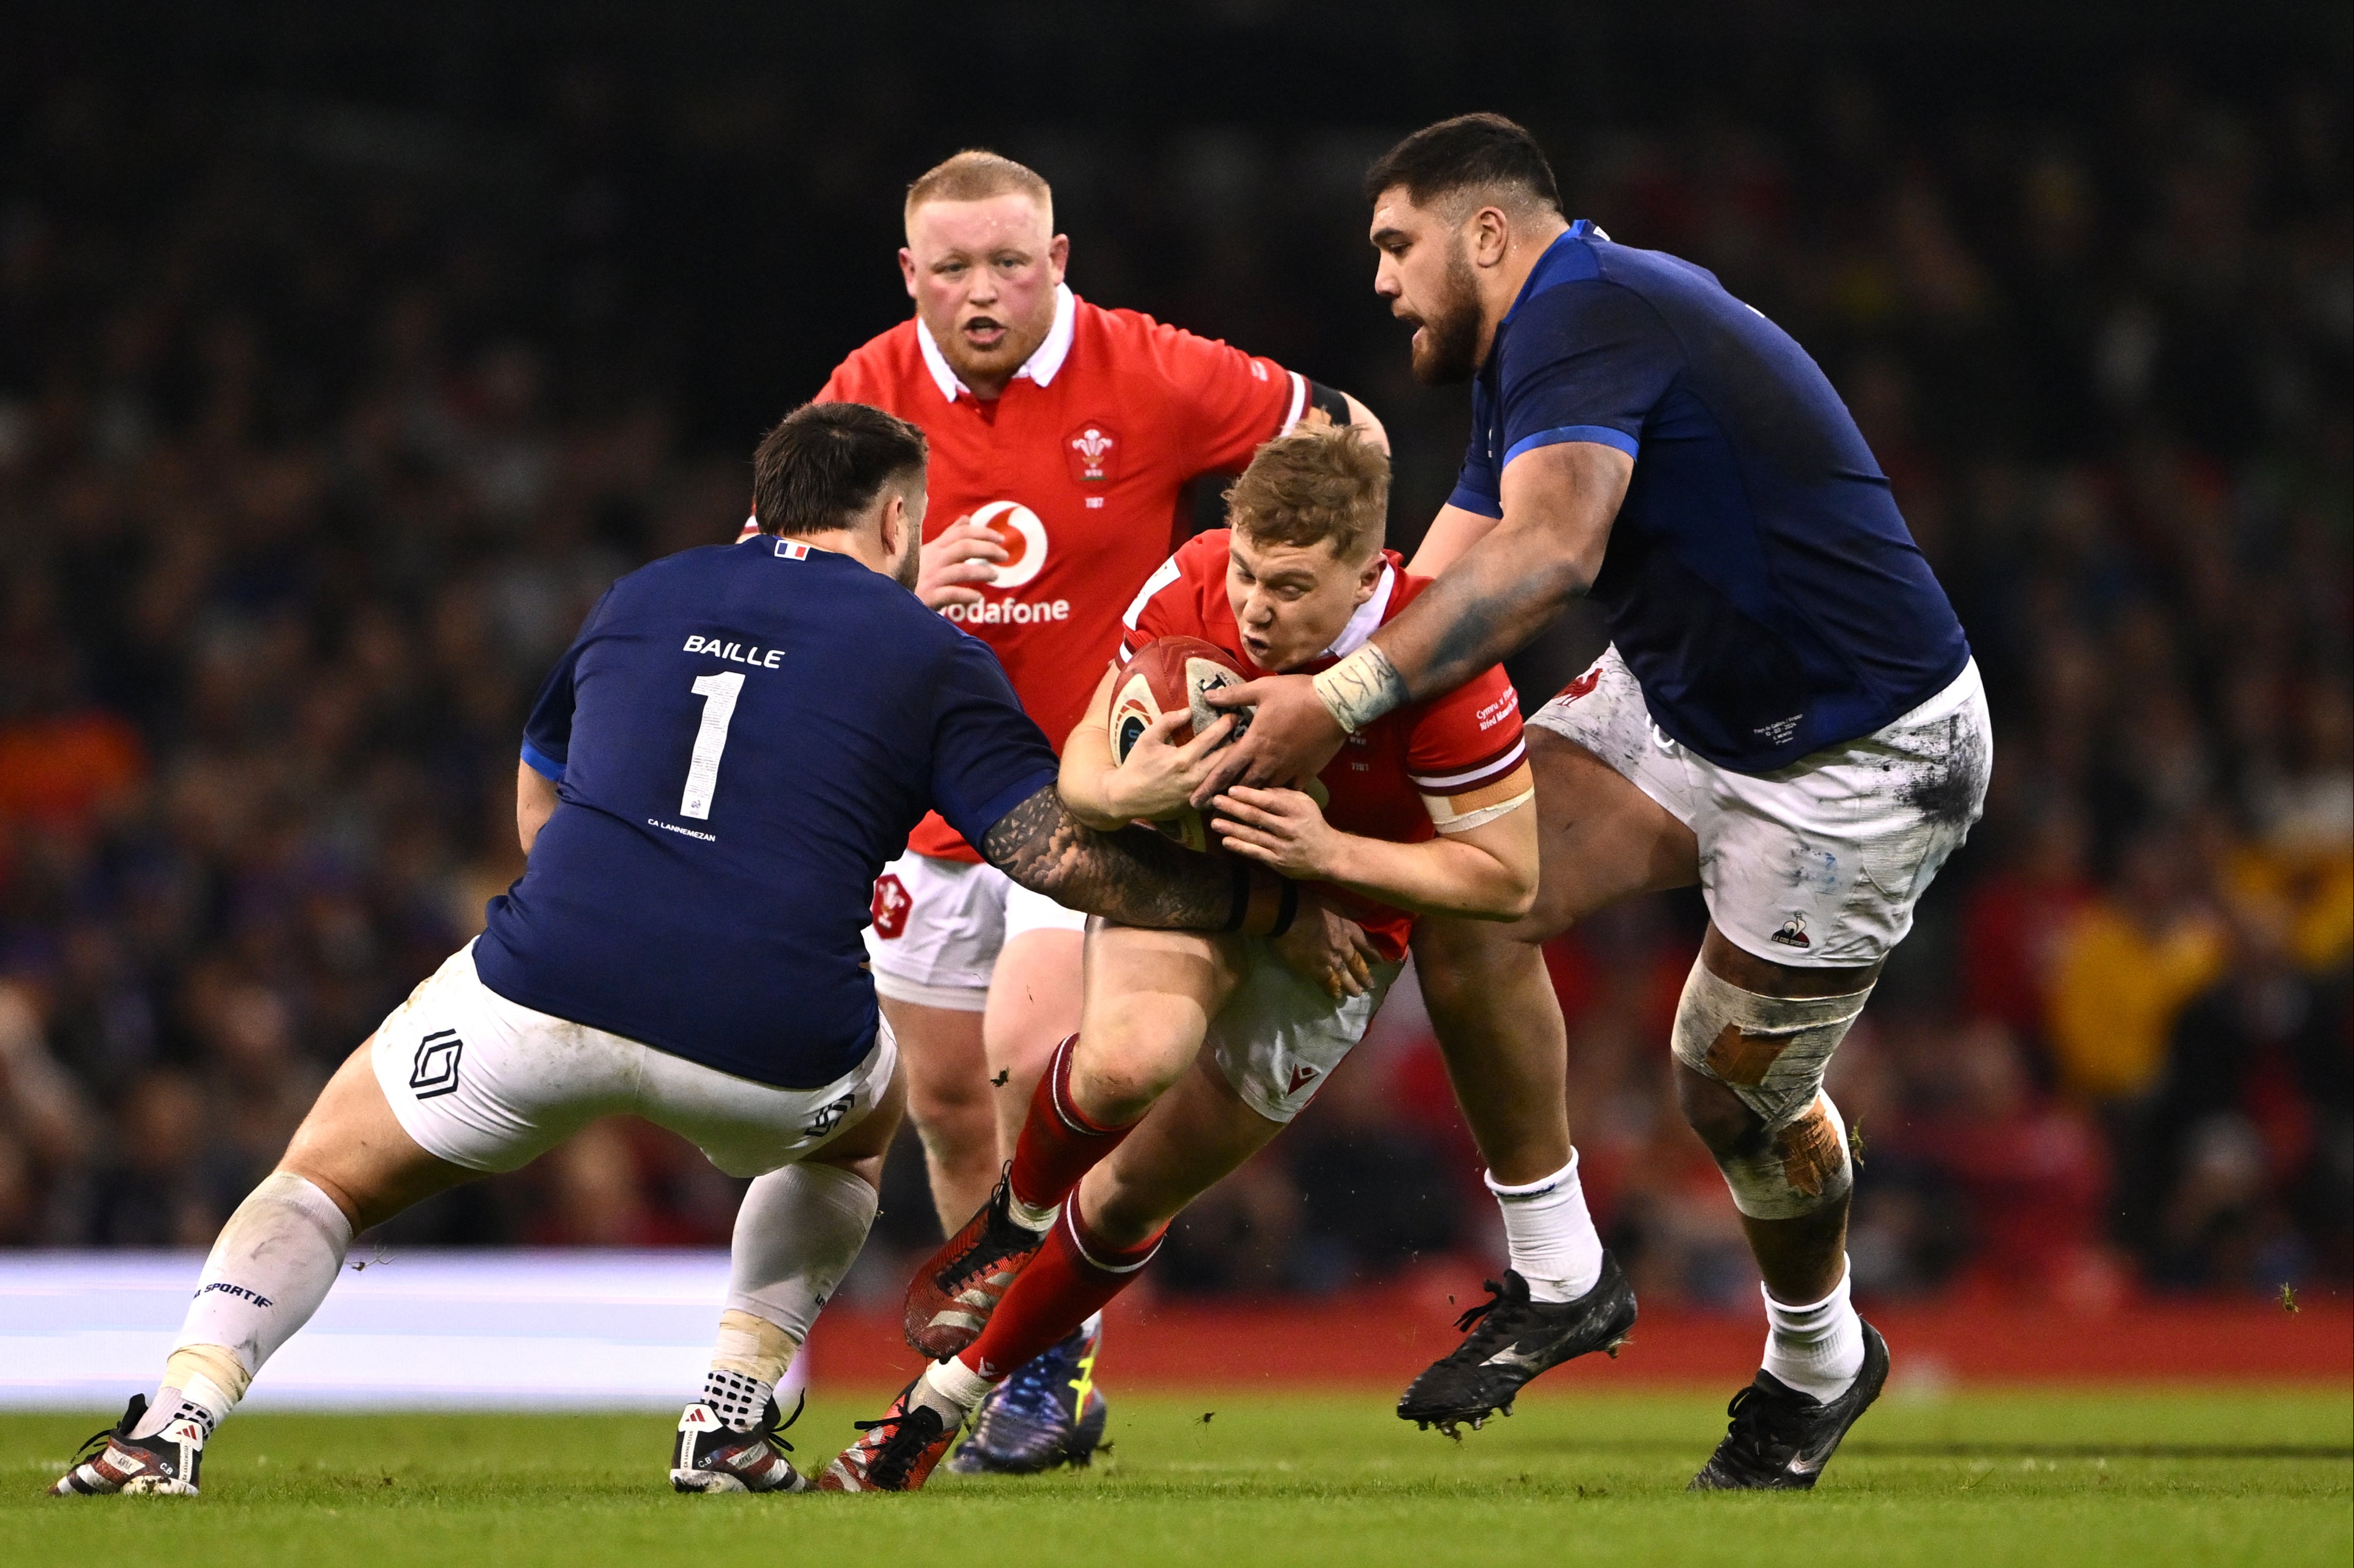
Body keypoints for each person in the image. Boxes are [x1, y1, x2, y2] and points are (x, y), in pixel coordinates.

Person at [49, 402, 1342, 1499]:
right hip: (768, 1033)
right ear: (897, 522)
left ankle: (171, 1425)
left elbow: (538, 794)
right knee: (863, 1122)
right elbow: (1054, 858)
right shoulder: (930, 649)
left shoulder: (642, 593)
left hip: (545, 982)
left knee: (322, 1171)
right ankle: (726, 1419)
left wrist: (602, 912)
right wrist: (1265, 907)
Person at [1201, 116, 1993, 1490]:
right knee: (1469, 882)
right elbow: (1423, 594)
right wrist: (1263, 690)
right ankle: (1562, 1273)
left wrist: (1331, 714)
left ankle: (1815, 1360)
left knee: (1729, 1099)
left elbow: (1552, 554)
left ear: (1488, 234)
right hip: (1693, 706)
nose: (1381, 281)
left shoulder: (1587, 309)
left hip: (1861, 759)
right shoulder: (1537, 345)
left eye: (1398, 246)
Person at [814, 426, 1601, 1493]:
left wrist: (1328, 857)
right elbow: (1088, 764)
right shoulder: (1191, 582)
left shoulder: (1447, 662)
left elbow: (1506, 879)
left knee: (1135, 1199)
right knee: (1128, 1059)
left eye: (1289, 586)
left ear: (1369, 576)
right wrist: (1119, 794)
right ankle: (1012, 1222)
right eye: (1243, 571)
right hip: (1191, 884)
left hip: (1338, 940)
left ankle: (940, 1405)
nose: (1253, 608)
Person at [802, 148, 1386, 1472]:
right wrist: (889, 583)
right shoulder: (866, 392)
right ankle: (1023, 1341)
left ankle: (1034, 1366)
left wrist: (1337, 619)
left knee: (1029, 1060)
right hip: (920, 790)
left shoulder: (1152, 368)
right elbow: (769, 567)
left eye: (1011, 261)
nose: (984, 290)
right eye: (951, 269)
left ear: (1058, 259)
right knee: (945, 1100)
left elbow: (1347, 430)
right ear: (911, 278)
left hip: (1090, 792)